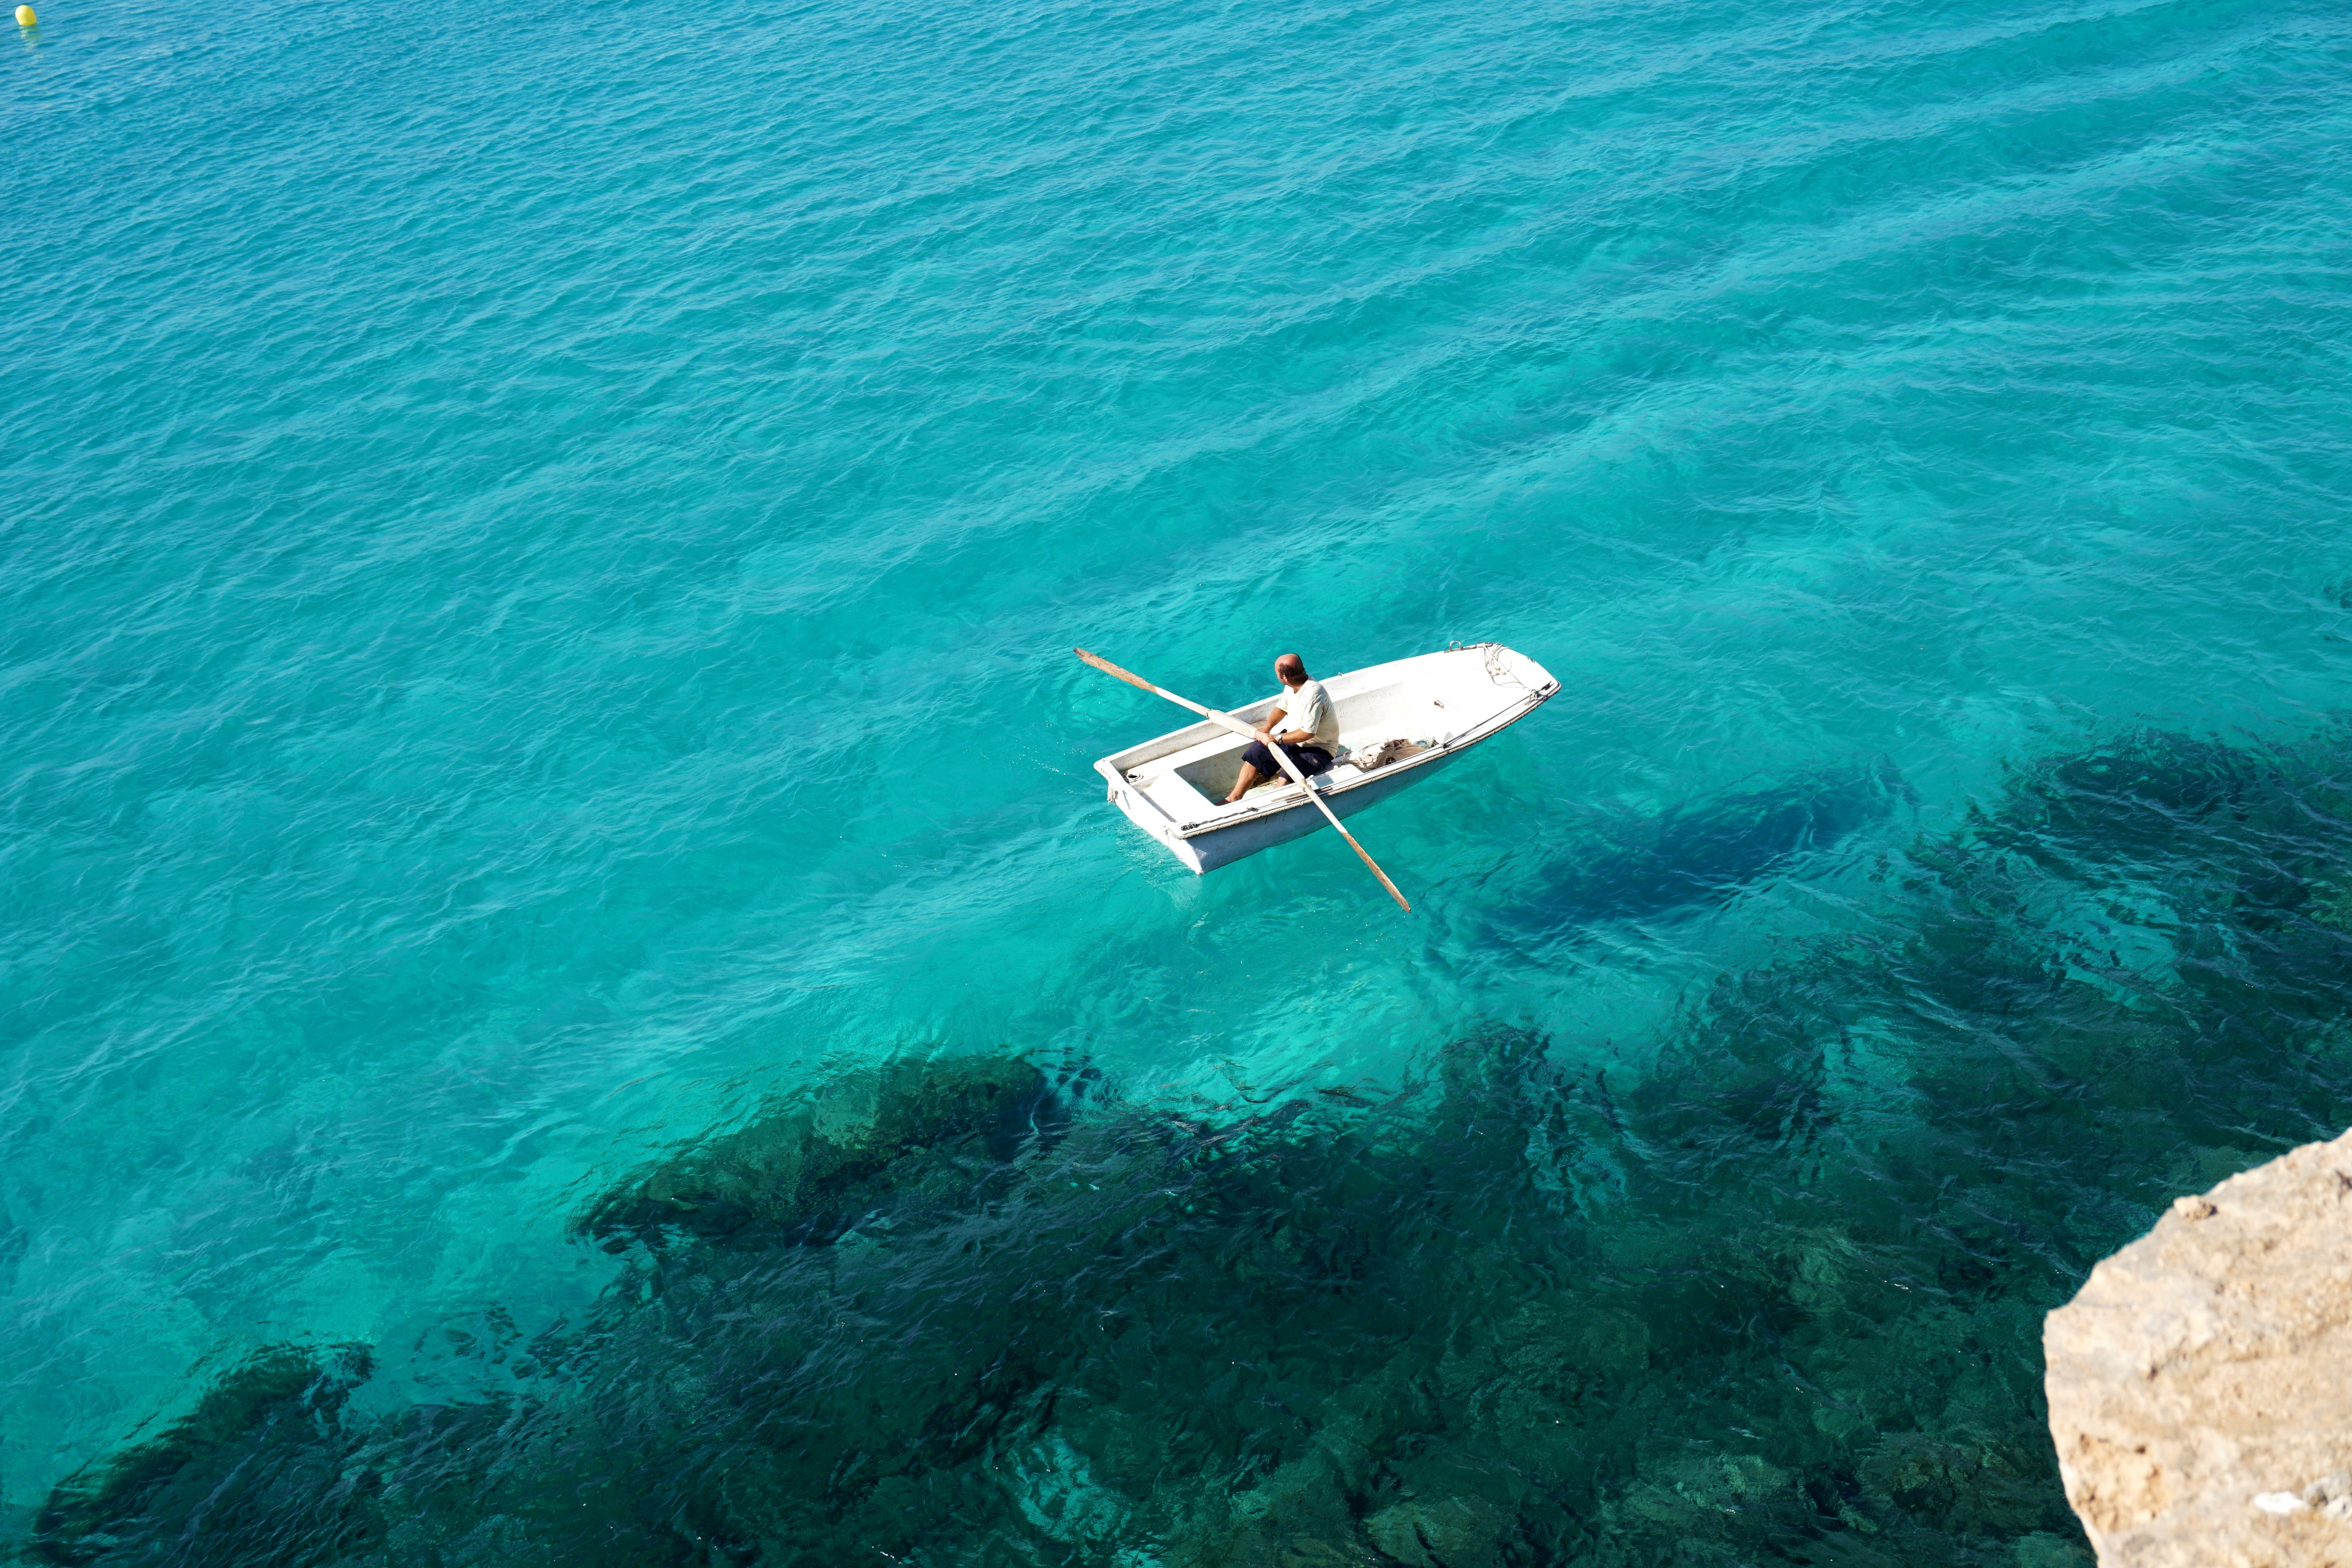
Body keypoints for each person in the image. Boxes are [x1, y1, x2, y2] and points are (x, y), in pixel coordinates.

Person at [1223, 653, 1338, 803]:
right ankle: (1234, 798)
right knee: (1256, 751)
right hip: (1294, 740)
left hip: (1319, 749)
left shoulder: (1314, 694)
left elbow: (1308, 733)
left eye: (1277, 673)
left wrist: (1277, 738)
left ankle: (1271, 805)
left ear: (1285, 677)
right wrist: (1266, 730)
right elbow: (1281, 708)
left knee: (1287, 776)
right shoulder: (1293, 685)